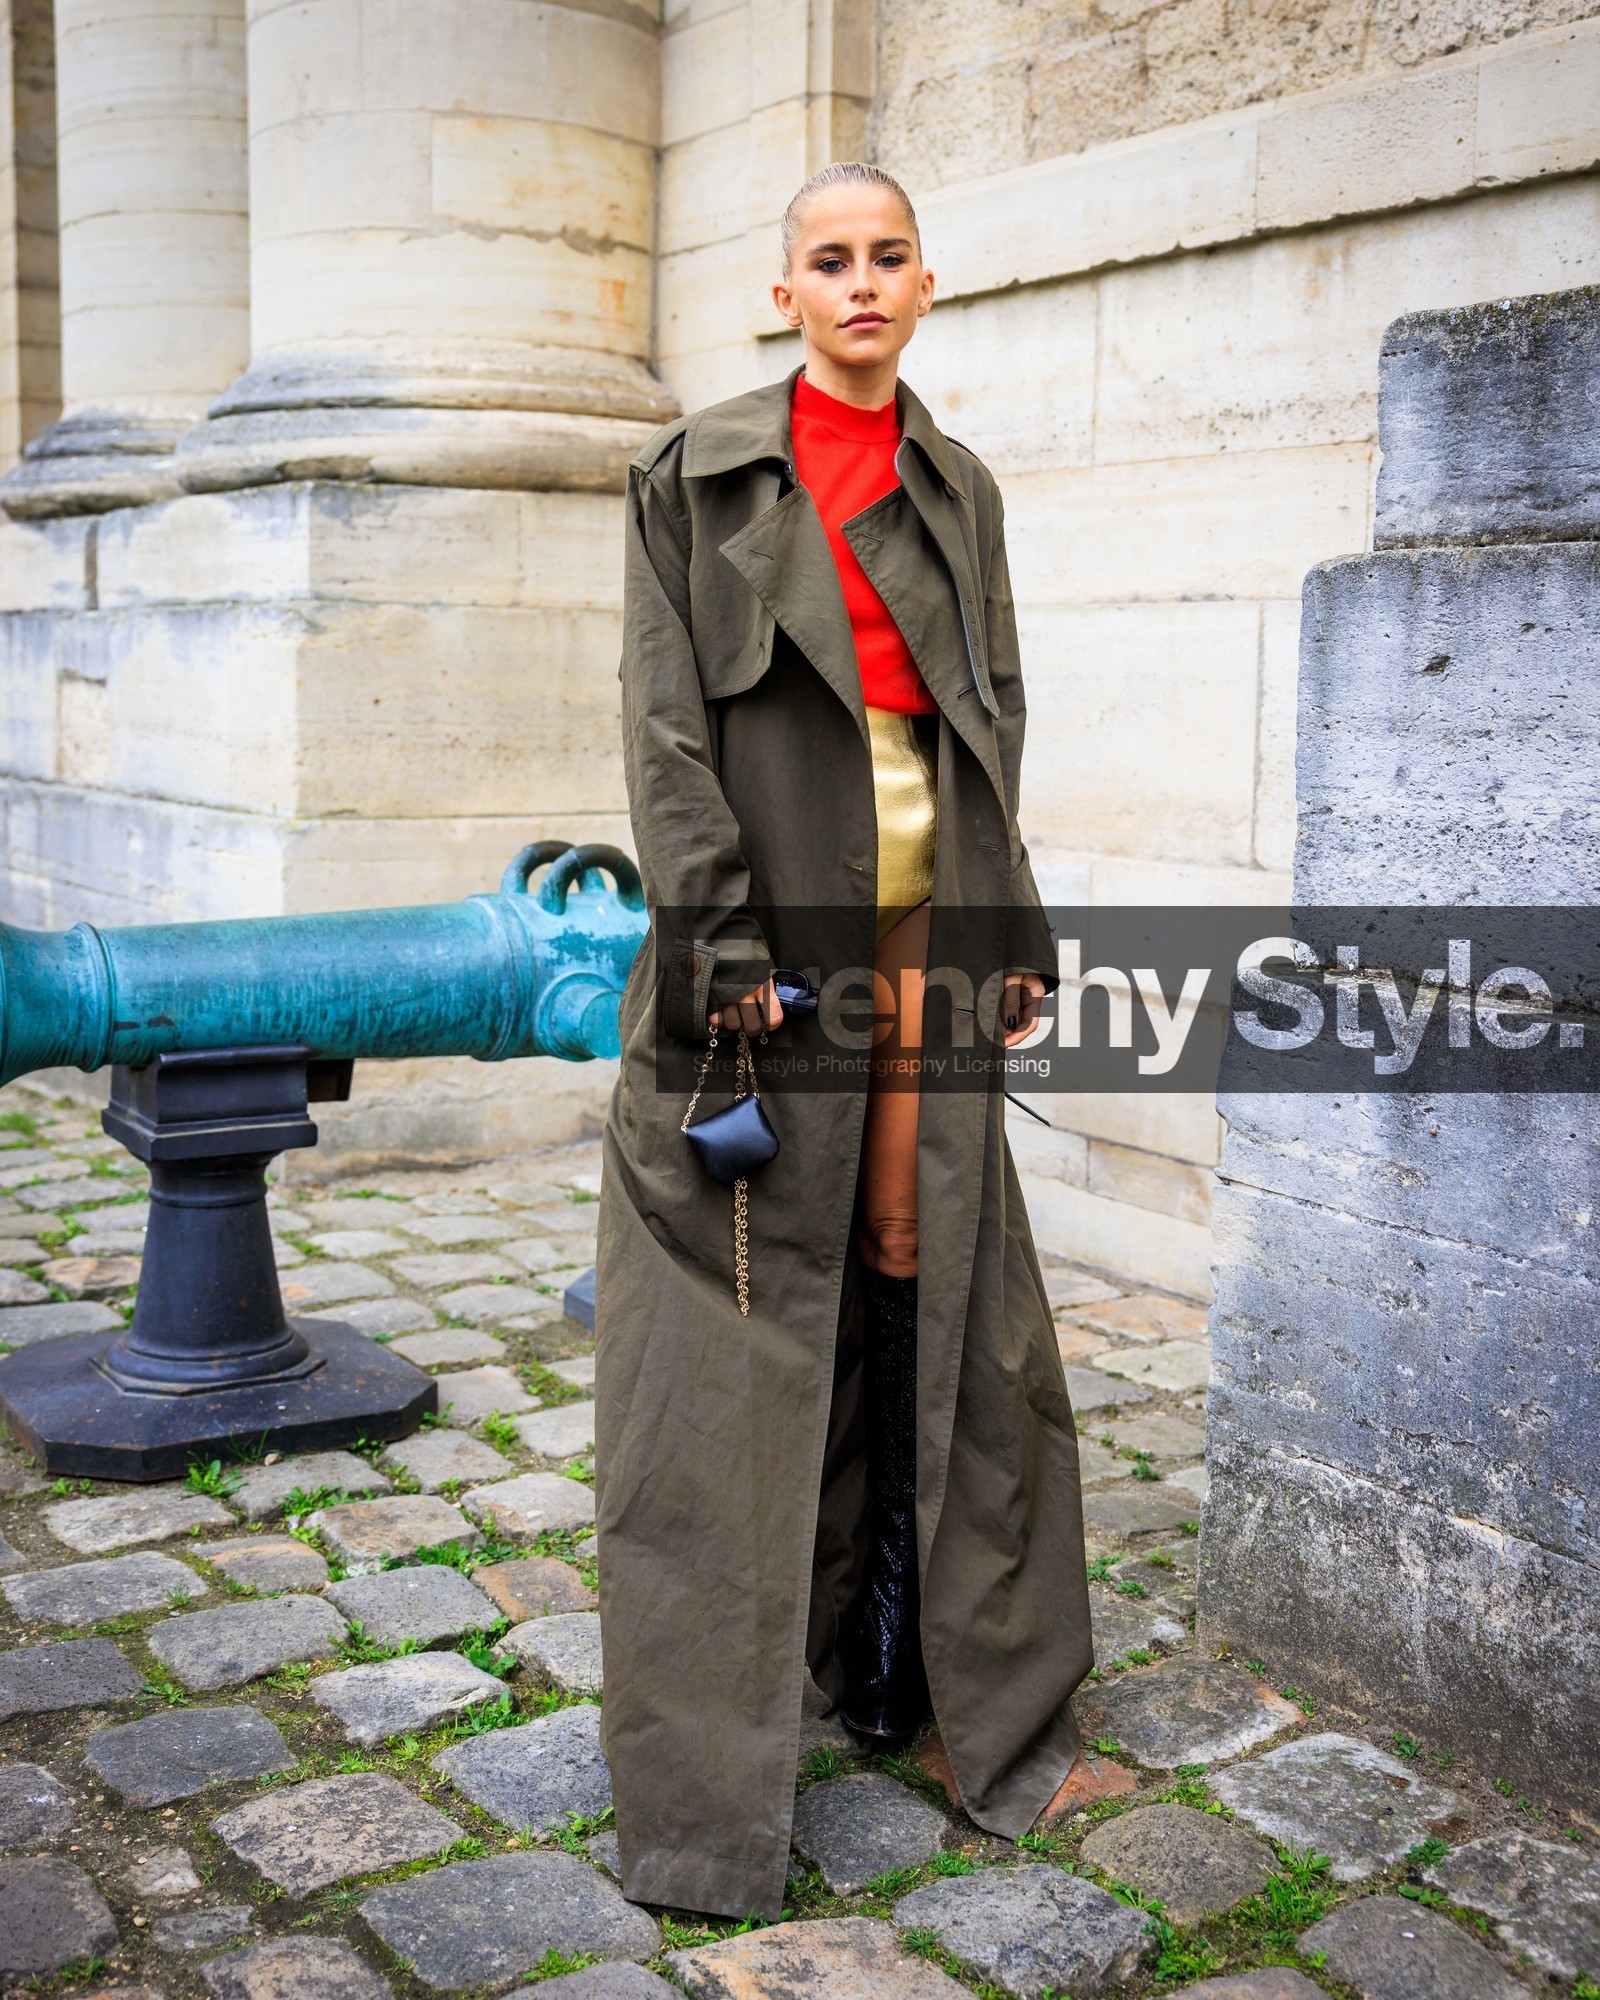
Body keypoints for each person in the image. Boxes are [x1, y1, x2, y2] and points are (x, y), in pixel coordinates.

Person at [593, 161, 1094, 1923]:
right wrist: (716, 938)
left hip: (922, 930)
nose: (861, 281)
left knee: (920, 1252)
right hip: (767, 940)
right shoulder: (700, 472)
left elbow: (992, 723)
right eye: (830, 259)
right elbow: (665, 737)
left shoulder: (964, 489)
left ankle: (907, 1655)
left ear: (926, 285)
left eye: (888, 257)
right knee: (734, 1315)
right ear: (783, 288)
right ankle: (708, 1787)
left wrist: (1012, 923)